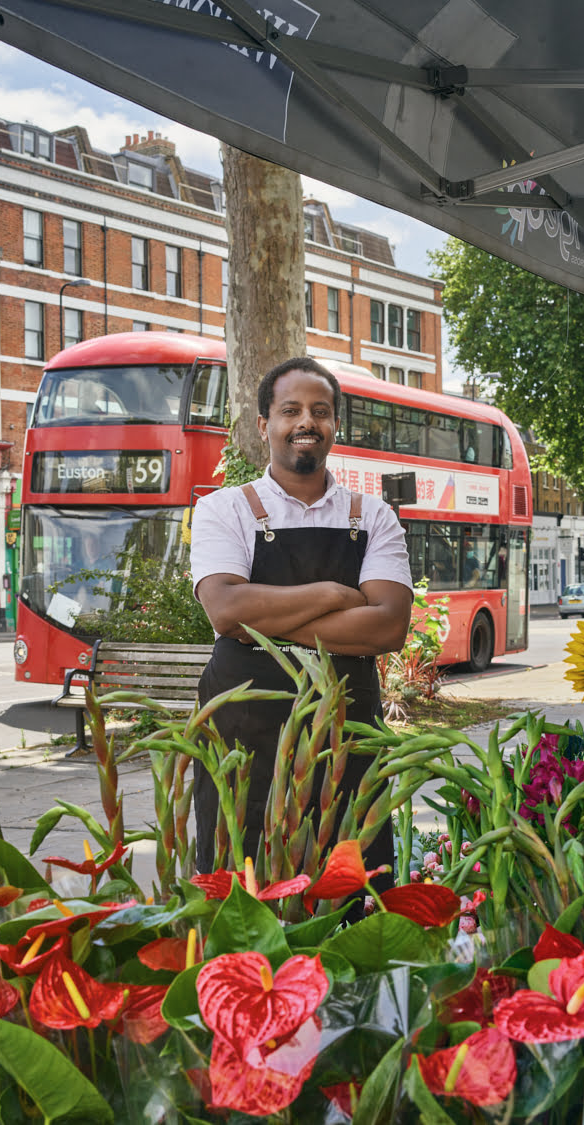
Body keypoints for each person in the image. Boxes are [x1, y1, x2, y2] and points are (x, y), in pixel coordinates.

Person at [190, 357, 413, 879]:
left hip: (349, 734)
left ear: (336, 425)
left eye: (320, 411)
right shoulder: (225, 509)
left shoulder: (373, 515)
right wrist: (335, 593)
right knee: (241, 887)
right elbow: (224, 610)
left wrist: (259, 620)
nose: (306, 422)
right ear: (264, 425)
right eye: (290, 410)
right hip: (243, 737)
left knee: (354, 882)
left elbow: (388, 628)